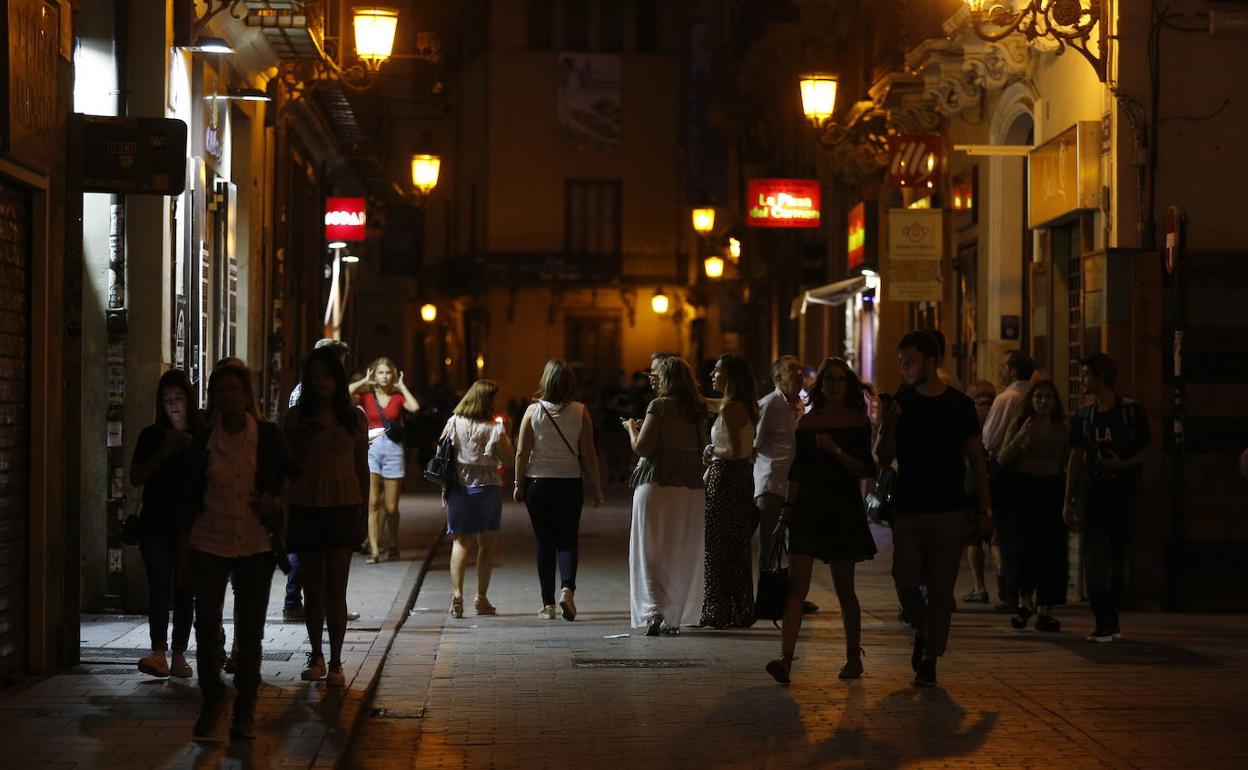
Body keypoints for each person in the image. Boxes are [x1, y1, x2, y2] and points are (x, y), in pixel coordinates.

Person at [182, 362, 294, 741]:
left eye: (234, 389)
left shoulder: (267, 435)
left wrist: (275, 502)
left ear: (247, 394)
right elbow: (189, 493)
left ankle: (244, 708)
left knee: (249, 631)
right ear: (212, 397)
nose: (227, 397)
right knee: (206, 623)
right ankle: (212, 696)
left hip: (255, 544)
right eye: (220, 390)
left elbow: (296, 476)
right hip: (208, 540)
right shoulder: (204, 439)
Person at [876, 331, 991, 688]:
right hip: (909, 509)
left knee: (942, 589)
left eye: (909, 362)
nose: (904, 369)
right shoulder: (901, 403)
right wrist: (888, 423)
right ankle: (924, 627)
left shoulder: (960, 405)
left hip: (949, 510)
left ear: (930, 362)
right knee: (905, 580)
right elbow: (883, 458)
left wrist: (985, 509)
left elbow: (976, 458)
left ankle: (929, 659)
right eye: (901, 363)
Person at [766, 358, 877, 685]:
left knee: (845, 587)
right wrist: (787, 510)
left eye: (840, 380)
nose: (833, 385)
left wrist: (835, 450)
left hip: (843, 508)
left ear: (848, 384)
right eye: (828, 380)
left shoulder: (858, 422)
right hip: (808, 509)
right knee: (797, 586)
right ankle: (785, 659)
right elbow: (798, 470)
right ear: (821, 385)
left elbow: (864, 469)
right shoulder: (808, 422)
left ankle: (853, 657)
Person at [282, 348, 370, 685]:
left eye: (328, 376)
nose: (322, 382)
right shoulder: (296, 418)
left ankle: (335, 661)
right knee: (313, 588)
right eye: (316, 376)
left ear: (338, 379)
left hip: (343, 506)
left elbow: (362, 468)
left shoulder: (354, 417)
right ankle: (316, 655)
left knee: (337, 588)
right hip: (306, 506)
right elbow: (286, 466)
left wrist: (364, 512)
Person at [1064, 353, 1149, 643]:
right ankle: (1102, 621)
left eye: (1086, 374)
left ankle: (1113, 618)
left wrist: (1122, 464)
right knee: (1094, 558)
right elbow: (1076, 455)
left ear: (1101, 377)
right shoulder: (1084, 415)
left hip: (1122, 493)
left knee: (1120, 557)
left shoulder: (1131, 411)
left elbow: (1144, 449)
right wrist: (1068, 498)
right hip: (1092, 493)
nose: (1081, 379)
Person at [514, 360, 605, 620]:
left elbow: (522, 452)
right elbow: (589, 452)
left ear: (546, 381)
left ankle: (548, 605)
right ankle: (567, 589)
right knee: (568, 539)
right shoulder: (581, 412)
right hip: (569, 482)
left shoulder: (532, 412)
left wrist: (518, 484)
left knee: (544, 543)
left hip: (538, 483)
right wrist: (597, 486)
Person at [625, 355, 708, 636]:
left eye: (656, 375)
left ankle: (654, 612)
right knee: (678, 551)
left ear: (667, 379)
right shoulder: (698, 410)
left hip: (657, 483)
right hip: (690, 489)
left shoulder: (658, 406)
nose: (652, 379)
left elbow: (643, 448)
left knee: (650, 552)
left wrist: (631, 429)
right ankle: (672, 613)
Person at [130, 369, 199, 679]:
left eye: (178, 398)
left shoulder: (201, 434)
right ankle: (159, 650)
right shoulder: (151, 435)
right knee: (159, 585)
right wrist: (163, 452)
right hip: (156, 522)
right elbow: (136, 477)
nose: (173, 405)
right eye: (167, 399)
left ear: (189, 400)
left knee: (185, 587)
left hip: (191, 523)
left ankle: (180, 652)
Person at [284, 338, 354, 623]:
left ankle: (327, 611)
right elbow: (291, 454)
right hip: (308, 497)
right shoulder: (301, 402)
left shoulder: (346, 412)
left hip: (336, 498)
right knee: (305, 561)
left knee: (330, 574)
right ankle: (294, 602)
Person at [997, 379, 1068, 632]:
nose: (1043, 402)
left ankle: (1045, 609)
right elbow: (1003, 456)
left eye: (1048, 397)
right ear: (1031, 400)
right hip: (1023, 490)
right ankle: (1024, 602)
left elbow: (1067, 461)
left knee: (1050, 550)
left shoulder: (1062, 429)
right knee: (1023, 548)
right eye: (1038, 397)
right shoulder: (1019, 423)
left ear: (1055, 401)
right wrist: (1021, 436)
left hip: (1052, 488)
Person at [964, 351, 1034, 607]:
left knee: (1003, 532)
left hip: (1006, 473)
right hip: (1036, 476)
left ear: (1013, 370)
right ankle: (1026, 592)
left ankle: (1010, 589)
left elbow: (990, 439)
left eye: (1004, 366)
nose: (1001, 370)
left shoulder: (1006, 399)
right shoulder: (1037, 395)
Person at [443, 380, 514, 618]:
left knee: (460, 542)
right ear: (487, 400)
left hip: (459, 488)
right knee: (486, 545)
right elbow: (509, 459)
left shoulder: (454, 422)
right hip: (487, 488)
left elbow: (441, 453)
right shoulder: (494, 428)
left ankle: (457, 595)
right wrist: (507, 434)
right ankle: (480, 598)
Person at [753, 356, 818, 614]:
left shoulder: (800, 406)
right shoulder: (770, 404)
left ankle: (793, 597)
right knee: (770, 544)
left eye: (800, 370)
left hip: (797, 485)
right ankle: (767, 598)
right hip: (773, 483)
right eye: (792, 370)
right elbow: (755, 444)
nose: (799, 375)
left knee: (796, 545)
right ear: (778, 378)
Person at [700, 353, 759, 629]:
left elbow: (736, 452)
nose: (713, 375)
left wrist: (712, 449)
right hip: (738, 478)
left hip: (727, 478)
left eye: (718, 370)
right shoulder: (736, 405)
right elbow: (705, 403)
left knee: (719, 546)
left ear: (731, 376)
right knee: (734, 546)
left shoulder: (731, 409)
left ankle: (718, 610)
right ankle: (737, 609)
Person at [351, 357, 420, 564]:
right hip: (371, 450)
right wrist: (364, 381)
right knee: (372, 503)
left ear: (393, 375)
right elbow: (345, 393)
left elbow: (415, 407)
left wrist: (402, 386)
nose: (384, 377)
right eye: (380, 373)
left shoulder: (398, 397)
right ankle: (374, 549)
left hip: (393, 452)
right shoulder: (366, 396)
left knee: (391, 506)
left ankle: (394, 543)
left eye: (388, 373)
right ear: (374, 374)